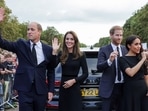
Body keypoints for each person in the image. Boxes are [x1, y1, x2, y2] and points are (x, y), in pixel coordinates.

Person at [0, 8, 57, 111]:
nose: (29, 32)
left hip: (41, 91)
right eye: (28, 29)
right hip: (24, 90)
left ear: (39, 32)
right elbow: (2, 42)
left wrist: (51, 90)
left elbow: (51, 71)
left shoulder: (48, 49)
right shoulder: (21, 44)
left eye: (32, 29)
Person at [52, 31, 88, 111]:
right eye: (67, 39)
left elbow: (85, 74)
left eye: (71, 39)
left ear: (75, 41)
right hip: (64, 87)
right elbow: (52, 65)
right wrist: (54, 52)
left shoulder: (81, 55)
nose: (69, 41)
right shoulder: (61, 53)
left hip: (74, 87)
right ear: (64, 40)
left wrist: (74, 81)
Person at [97, 25, 127, 111]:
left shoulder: (125, 49)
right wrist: (109, 60)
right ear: (111, 35)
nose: (119, 37)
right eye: (117, 35)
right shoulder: (103, 49)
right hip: (109, 89)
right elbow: (99, 67)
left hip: (123, 88)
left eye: (121, 35)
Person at [119, 35, 148, 111]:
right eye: (136, 44)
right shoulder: (122, 59)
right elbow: (131, 73)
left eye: (140, 44)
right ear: (129, 45)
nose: (139, 46)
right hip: (130, 92)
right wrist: (143, 60)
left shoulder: (140, 58)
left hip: (143, 91)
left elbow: (146, 76)